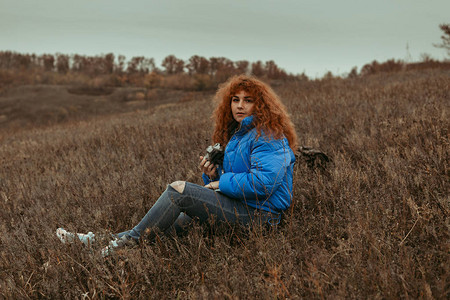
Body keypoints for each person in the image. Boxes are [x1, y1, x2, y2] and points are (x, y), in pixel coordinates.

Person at [56, 75, 298, 256]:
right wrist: (212, 175)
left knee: (178, 190)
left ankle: (118, 249)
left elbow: (263, 183)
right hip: (242, 208)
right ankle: (92, 241)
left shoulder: (268, 136)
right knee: (167, 225)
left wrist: (219, 182)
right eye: (235, 100)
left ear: (261, 105)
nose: (239, 105)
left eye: (248, 100)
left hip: (262, 218)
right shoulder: (239, 135)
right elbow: (238, 178)